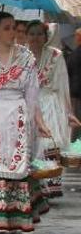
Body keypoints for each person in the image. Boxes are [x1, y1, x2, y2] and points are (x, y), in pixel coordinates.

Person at [0, 12, 52, 234]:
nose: (13, 32)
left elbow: (32, 92)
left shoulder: (25, 57)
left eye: (14, 28)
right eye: (7, 28)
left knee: (15, 164)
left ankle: (15, 217)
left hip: (16, 114)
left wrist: (37, 121)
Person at [26, 22, 80, 204]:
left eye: (39, 34)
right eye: (31, 33)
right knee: (31, 146)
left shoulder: (56, 55)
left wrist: (68, 112)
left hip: (50, 103)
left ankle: (50, 184)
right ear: (26, 36)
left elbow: (63, 84)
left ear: (45, 36)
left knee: (49, 143)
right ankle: (34, 185)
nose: (35, 37)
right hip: (29, 104)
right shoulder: (21, 55)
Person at [68, 28, 81, 139]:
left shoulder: (73, 54)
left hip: (74, 89)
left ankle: (74, 140)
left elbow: (69, 71)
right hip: (76, 89)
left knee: (76, 117)